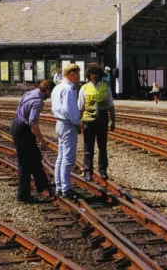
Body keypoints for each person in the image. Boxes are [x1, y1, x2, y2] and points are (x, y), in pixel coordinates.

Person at [11, 80, 56, 203]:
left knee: (35, 157)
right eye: (51, 93)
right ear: (47, 90)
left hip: (18, 126)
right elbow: (33, 123)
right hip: (23, 131)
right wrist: (42, 141)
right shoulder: (38, 101)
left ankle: (42, 186)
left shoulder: (29, 93)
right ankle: (22, 196)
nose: (50, 96)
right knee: (25, 164)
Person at [78, 63, 116, 181]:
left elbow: (111, 106)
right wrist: (79, 122)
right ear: (89, 75)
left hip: (102, 121)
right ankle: (88, 171)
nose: (95, 76)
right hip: (88, 122)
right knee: (88, 149)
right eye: (92, 73)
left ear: (100, 75)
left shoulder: (106, 87)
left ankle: (102, 170)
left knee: (102, 147)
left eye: (97, 74)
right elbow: (80, 107)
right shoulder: (84, 88)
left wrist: (113, 122)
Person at [51, 63, 82, 199]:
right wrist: (77, 123)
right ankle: (66, 188)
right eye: (77, 74)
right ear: (71, 74)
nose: (79, 77)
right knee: (68, 158)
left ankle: (59, 186)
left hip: (59, 123)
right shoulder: (68, 89)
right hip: (68, 124)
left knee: (61, 156)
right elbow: (70, 110)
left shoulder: (57, 87)